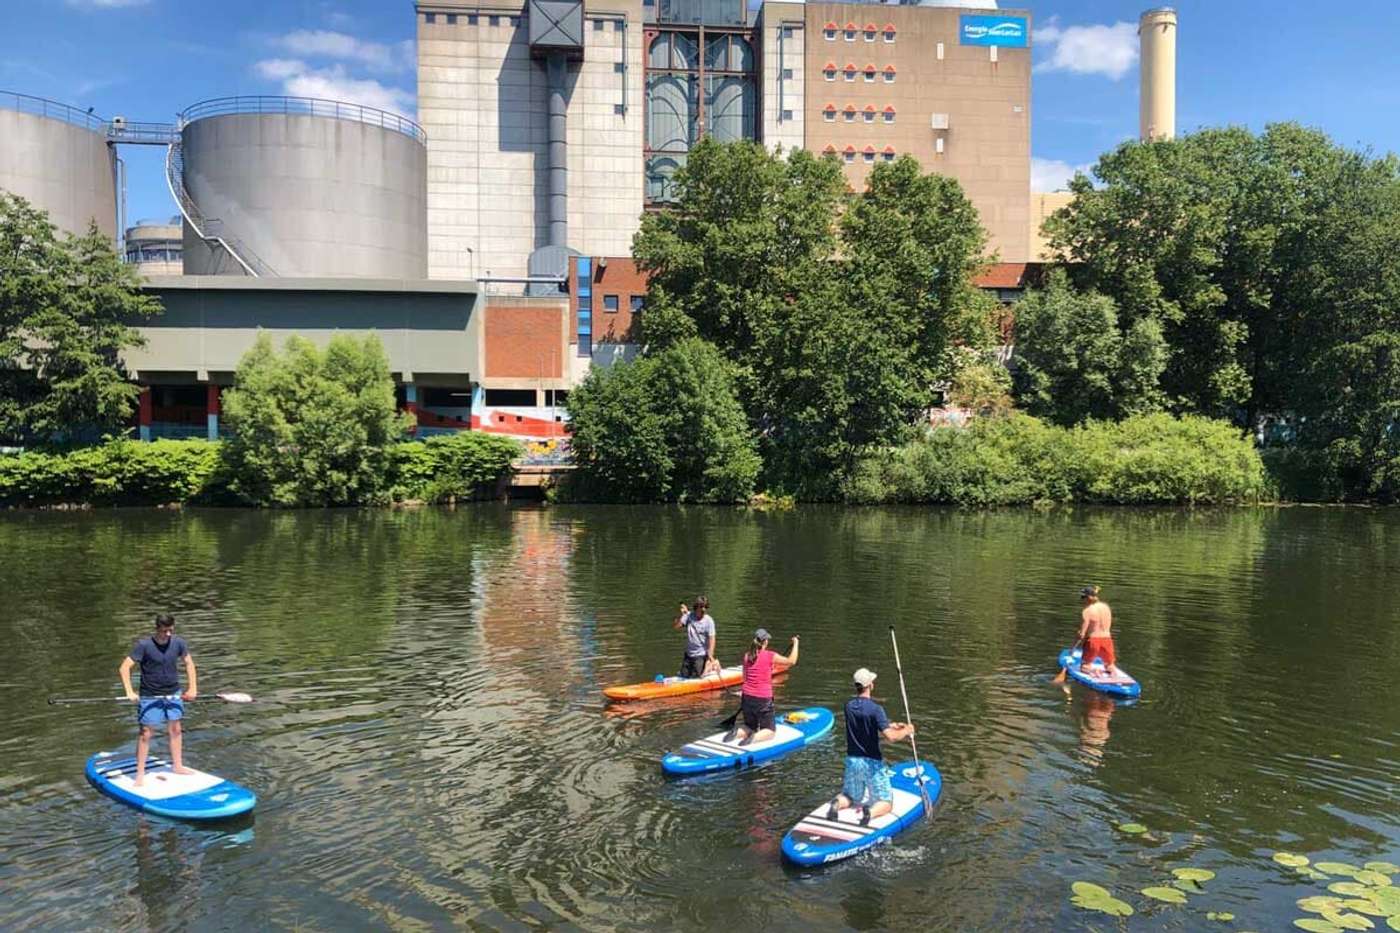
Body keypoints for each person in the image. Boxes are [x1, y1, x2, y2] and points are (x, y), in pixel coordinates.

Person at [825, 668, 915, 826]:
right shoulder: (876, 709)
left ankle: (836, 804)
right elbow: (891, 737)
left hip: (853, 760)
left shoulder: (849, 707)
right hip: (871, 762)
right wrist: (907, 730)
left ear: (857, 686)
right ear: (870, 685)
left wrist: (889, 724)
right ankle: (870, 813)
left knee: (851, 796)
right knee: (886, 802)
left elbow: (867, 727)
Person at [119, 613, 198, 786]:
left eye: (170, 630)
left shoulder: (178, 643)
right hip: (149, 694)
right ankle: (139, 774)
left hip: (173, 692)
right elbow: (125, 667)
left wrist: (193, 688)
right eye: (164, 631)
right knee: (146, 733)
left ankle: (178, 766)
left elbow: (189, 663)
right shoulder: (144, 645)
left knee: (176, 728)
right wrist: (129, 691)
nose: (168, 634)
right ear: (157, 629)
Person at [726, 628, 799, 746]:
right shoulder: (770, 655)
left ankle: (737, 732)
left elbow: (745, 677)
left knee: (750, 726)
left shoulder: (747, 656)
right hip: (762, 699)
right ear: (765, 642)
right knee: (770, 731)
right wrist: (795, 643)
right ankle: (753, 738)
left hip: (747, 697)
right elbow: (792, 661)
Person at [1075, 585, 1117, 675]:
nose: (1082, 600)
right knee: (1110, 664)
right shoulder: (1106, 607)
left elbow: (1082, 634)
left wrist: (1079, 636)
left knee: (1085, 666)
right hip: (1107, 640)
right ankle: (1111, 671)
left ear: (1088, 598)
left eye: (1083, 597)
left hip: (1093, 641)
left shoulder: (1087, 611)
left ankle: (1091, 671)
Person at [673, 596, 719, 679]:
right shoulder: (688, 616)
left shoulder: (709, 621)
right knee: (684, 676)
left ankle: (709, 665)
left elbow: (712, 640)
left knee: (696, 677)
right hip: (688, 655)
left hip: (700, 655)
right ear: (696, 607)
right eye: (701, 607)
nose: (703, 609)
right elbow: (676, 627)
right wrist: (682, 615)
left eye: (705, 607)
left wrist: (710, 656)